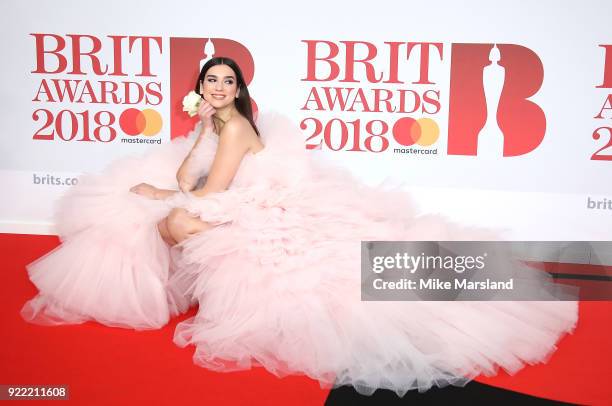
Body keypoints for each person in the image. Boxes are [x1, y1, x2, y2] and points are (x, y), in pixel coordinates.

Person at [22, 56, 579, 397]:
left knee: (175, 220)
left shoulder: (236, 127)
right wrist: (169, 185)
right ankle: (173, 280)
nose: (217, 88)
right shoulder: (209, 122)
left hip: (251, 204)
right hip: (235, 198)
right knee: (161, 216)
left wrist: (162, 194)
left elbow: (211, 192)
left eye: (225, 81)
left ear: (237, 89)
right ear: (201, 87)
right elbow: (192, 171)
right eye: (210, 80)